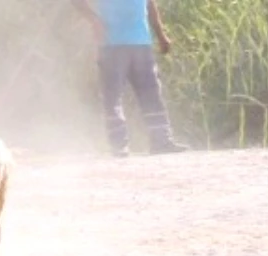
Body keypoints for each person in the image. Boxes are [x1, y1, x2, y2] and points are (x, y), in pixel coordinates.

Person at [72, 0, 189, 157]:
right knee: (112, 98)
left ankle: (161, 141)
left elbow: (150, 5)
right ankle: (119, 146)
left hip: (140, 42)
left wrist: (161, 35)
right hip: (111, 44)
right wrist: (94, 19)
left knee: (152, 94)